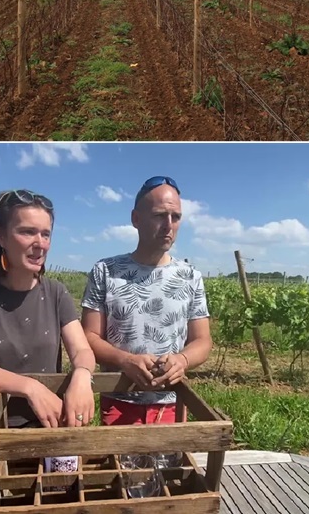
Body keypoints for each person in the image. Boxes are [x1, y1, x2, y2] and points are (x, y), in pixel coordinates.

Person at [0, 189, 95, 430]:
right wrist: (30, 387)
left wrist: (82, 374)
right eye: (27, 232)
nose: (40, 244)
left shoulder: (56, 293)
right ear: (0, 235)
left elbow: (81, 349)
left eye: (45, 234)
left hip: (49, 424)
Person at [81, 175, 212, 425]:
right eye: (159, 215)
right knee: (120, 463)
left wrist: (182, 360)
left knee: (171, 464)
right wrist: (125, 361)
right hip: (120, 402)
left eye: (176, 217)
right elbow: (88, 336)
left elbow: (202, 340)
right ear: (136, 219)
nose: (169, 225)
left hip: (172, 402)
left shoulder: (190, 276)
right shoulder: (106, 271)